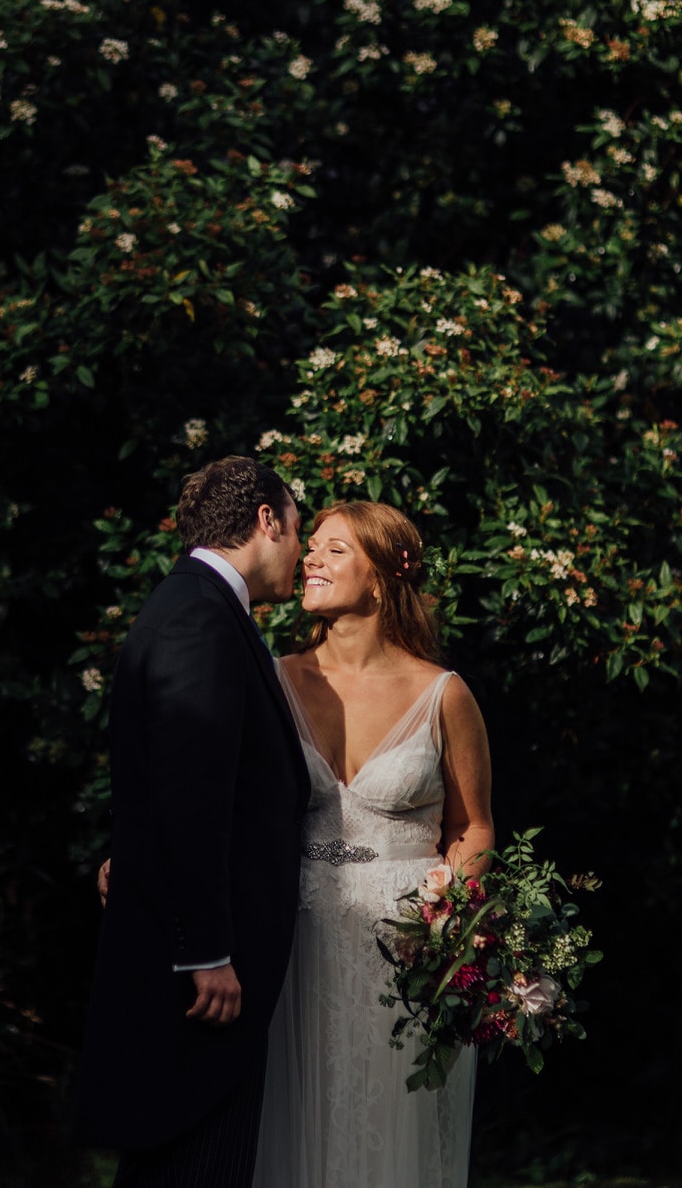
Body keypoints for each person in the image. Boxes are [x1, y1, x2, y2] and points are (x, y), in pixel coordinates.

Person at [75, 455, 312, 1188]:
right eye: (300, 528)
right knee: (192, 1162)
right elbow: (189, 789)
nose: (301, 552)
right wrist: (205, 949)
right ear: (267, 519)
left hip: (200, 953)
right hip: (202, 972)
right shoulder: (200, 618)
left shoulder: (196, 607)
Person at [251, 500, 493, 1188]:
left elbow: (472, 825)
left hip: (408, 949)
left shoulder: (444, 694)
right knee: (294, 1130)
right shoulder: (274, 680)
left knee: (396, 1140)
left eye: (334, 550)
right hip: (295, 937)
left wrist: (454, 933)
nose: (312, 560)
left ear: (384, 577)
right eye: (313, 546)